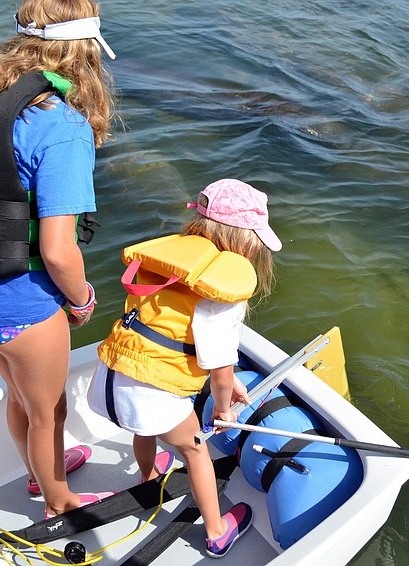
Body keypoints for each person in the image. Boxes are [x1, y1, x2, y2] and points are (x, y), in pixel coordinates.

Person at [0, 0, 117, 518]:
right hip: (21, 302)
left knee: (20, 397)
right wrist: (83, 300)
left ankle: (41, 475)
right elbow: (59, 251)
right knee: (49, 412)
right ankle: (59, 500)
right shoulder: (62, 126)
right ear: (85, 48)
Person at [87, 178, 282, 558]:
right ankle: (216, 531)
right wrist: (224, 411)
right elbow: (220, 372)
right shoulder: (219, 296)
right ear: (245, 242)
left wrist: (231, 384)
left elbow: (167, 337)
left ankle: (148, 479)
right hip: (149, 398)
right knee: (195, 453)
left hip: (108, 381)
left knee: (144, 428)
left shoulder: (167, 267)